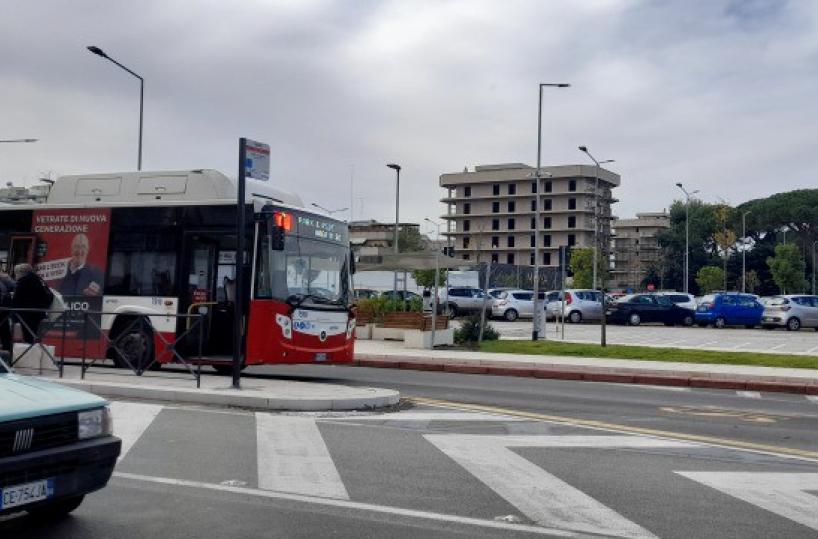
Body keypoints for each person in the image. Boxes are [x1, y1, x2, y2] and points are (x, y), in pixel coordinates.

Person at [12, 263, 52, 344]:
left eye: (16, 273)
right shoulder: (39, 279)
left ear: (21, 273)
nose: (16, 276)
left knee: (28, 336)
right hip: (40, 313)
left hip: (27, 314)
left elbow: (16, 299)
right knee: (36, 335)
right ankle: (35, 350)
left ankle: (30, 352)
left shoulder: (23, 281)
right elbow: (50, 295)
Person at [0, 272, 15, 356]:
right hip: (5, 310)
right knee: (5, 331)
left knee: (4, 330)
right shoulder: (5, 283)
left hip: (3, 310)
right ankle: (7, 348)